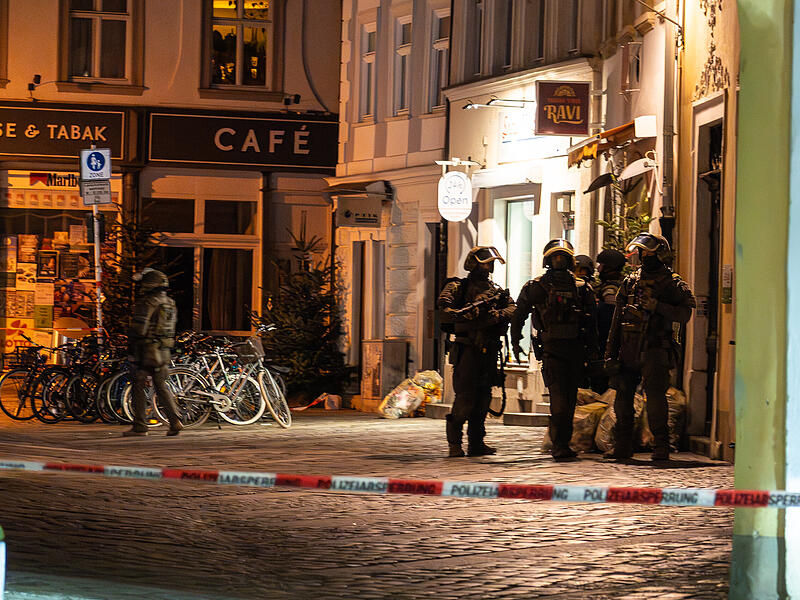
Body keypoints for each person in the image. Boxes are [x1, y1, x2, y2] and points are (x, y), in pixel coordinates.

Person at [604, 233, 696, 461]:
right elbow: (616, 320)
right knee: (622, 398)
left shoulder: (673, 283)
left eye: (650, 253)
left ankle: (661, 446)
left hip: (656, 347)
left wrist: (658, 307)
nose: (645, 256)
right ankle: (622, 446)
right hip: (628, 348)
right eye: (643, 252)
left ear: (661, 254)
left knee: (655, 398)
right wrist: (610, 354)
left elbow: (685, 314)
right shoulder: (630, 282)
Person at [511, 239, 599, 460]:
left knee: (569, 402)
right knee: (560, 401)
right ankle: (560, 444)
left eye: (562, 257)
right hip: (552, 352)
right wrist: (514, 342)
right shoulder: (535, 287)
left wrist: (594, 353)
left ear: (569, 260)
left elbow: (592, 324)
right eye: (555, 257)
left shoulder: (581, 288)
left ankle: (562, 443)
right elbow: (518, 316)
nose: (559, 261)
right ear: (548, 260)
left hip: (576, 351)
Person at [438, 246, 516, 457]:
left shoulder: (496, 290)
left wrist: (497, 316)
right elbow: (444, 312)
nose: (489, 267)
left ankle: (476, 442)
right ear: (474, 263)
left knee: (483, 399)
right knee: (465, 399)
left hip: (489, 350)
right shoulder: (458, 287)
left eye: (490, 263)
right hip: (467, 350)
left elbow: (513, 308)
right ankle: (455, 444)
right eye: (485, 263)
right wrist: (467, 316)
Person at [124, 268, 183, 437]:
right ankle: (175, 421)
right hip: (164, 350)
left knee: (138, 383)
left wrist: (131, 344)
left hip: (147, 350)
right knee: (161, 386)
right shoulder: (170, 303)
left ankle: (140, 425)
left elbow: (139, 329)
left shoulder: (148, 302)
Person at [592, 248, 627, 393]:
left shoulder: (611, 290)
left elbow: (610, 318)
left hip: (607, 346)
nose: (599, 269)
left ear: (609, 267)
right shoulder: (621, 285)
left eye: (601, 265)